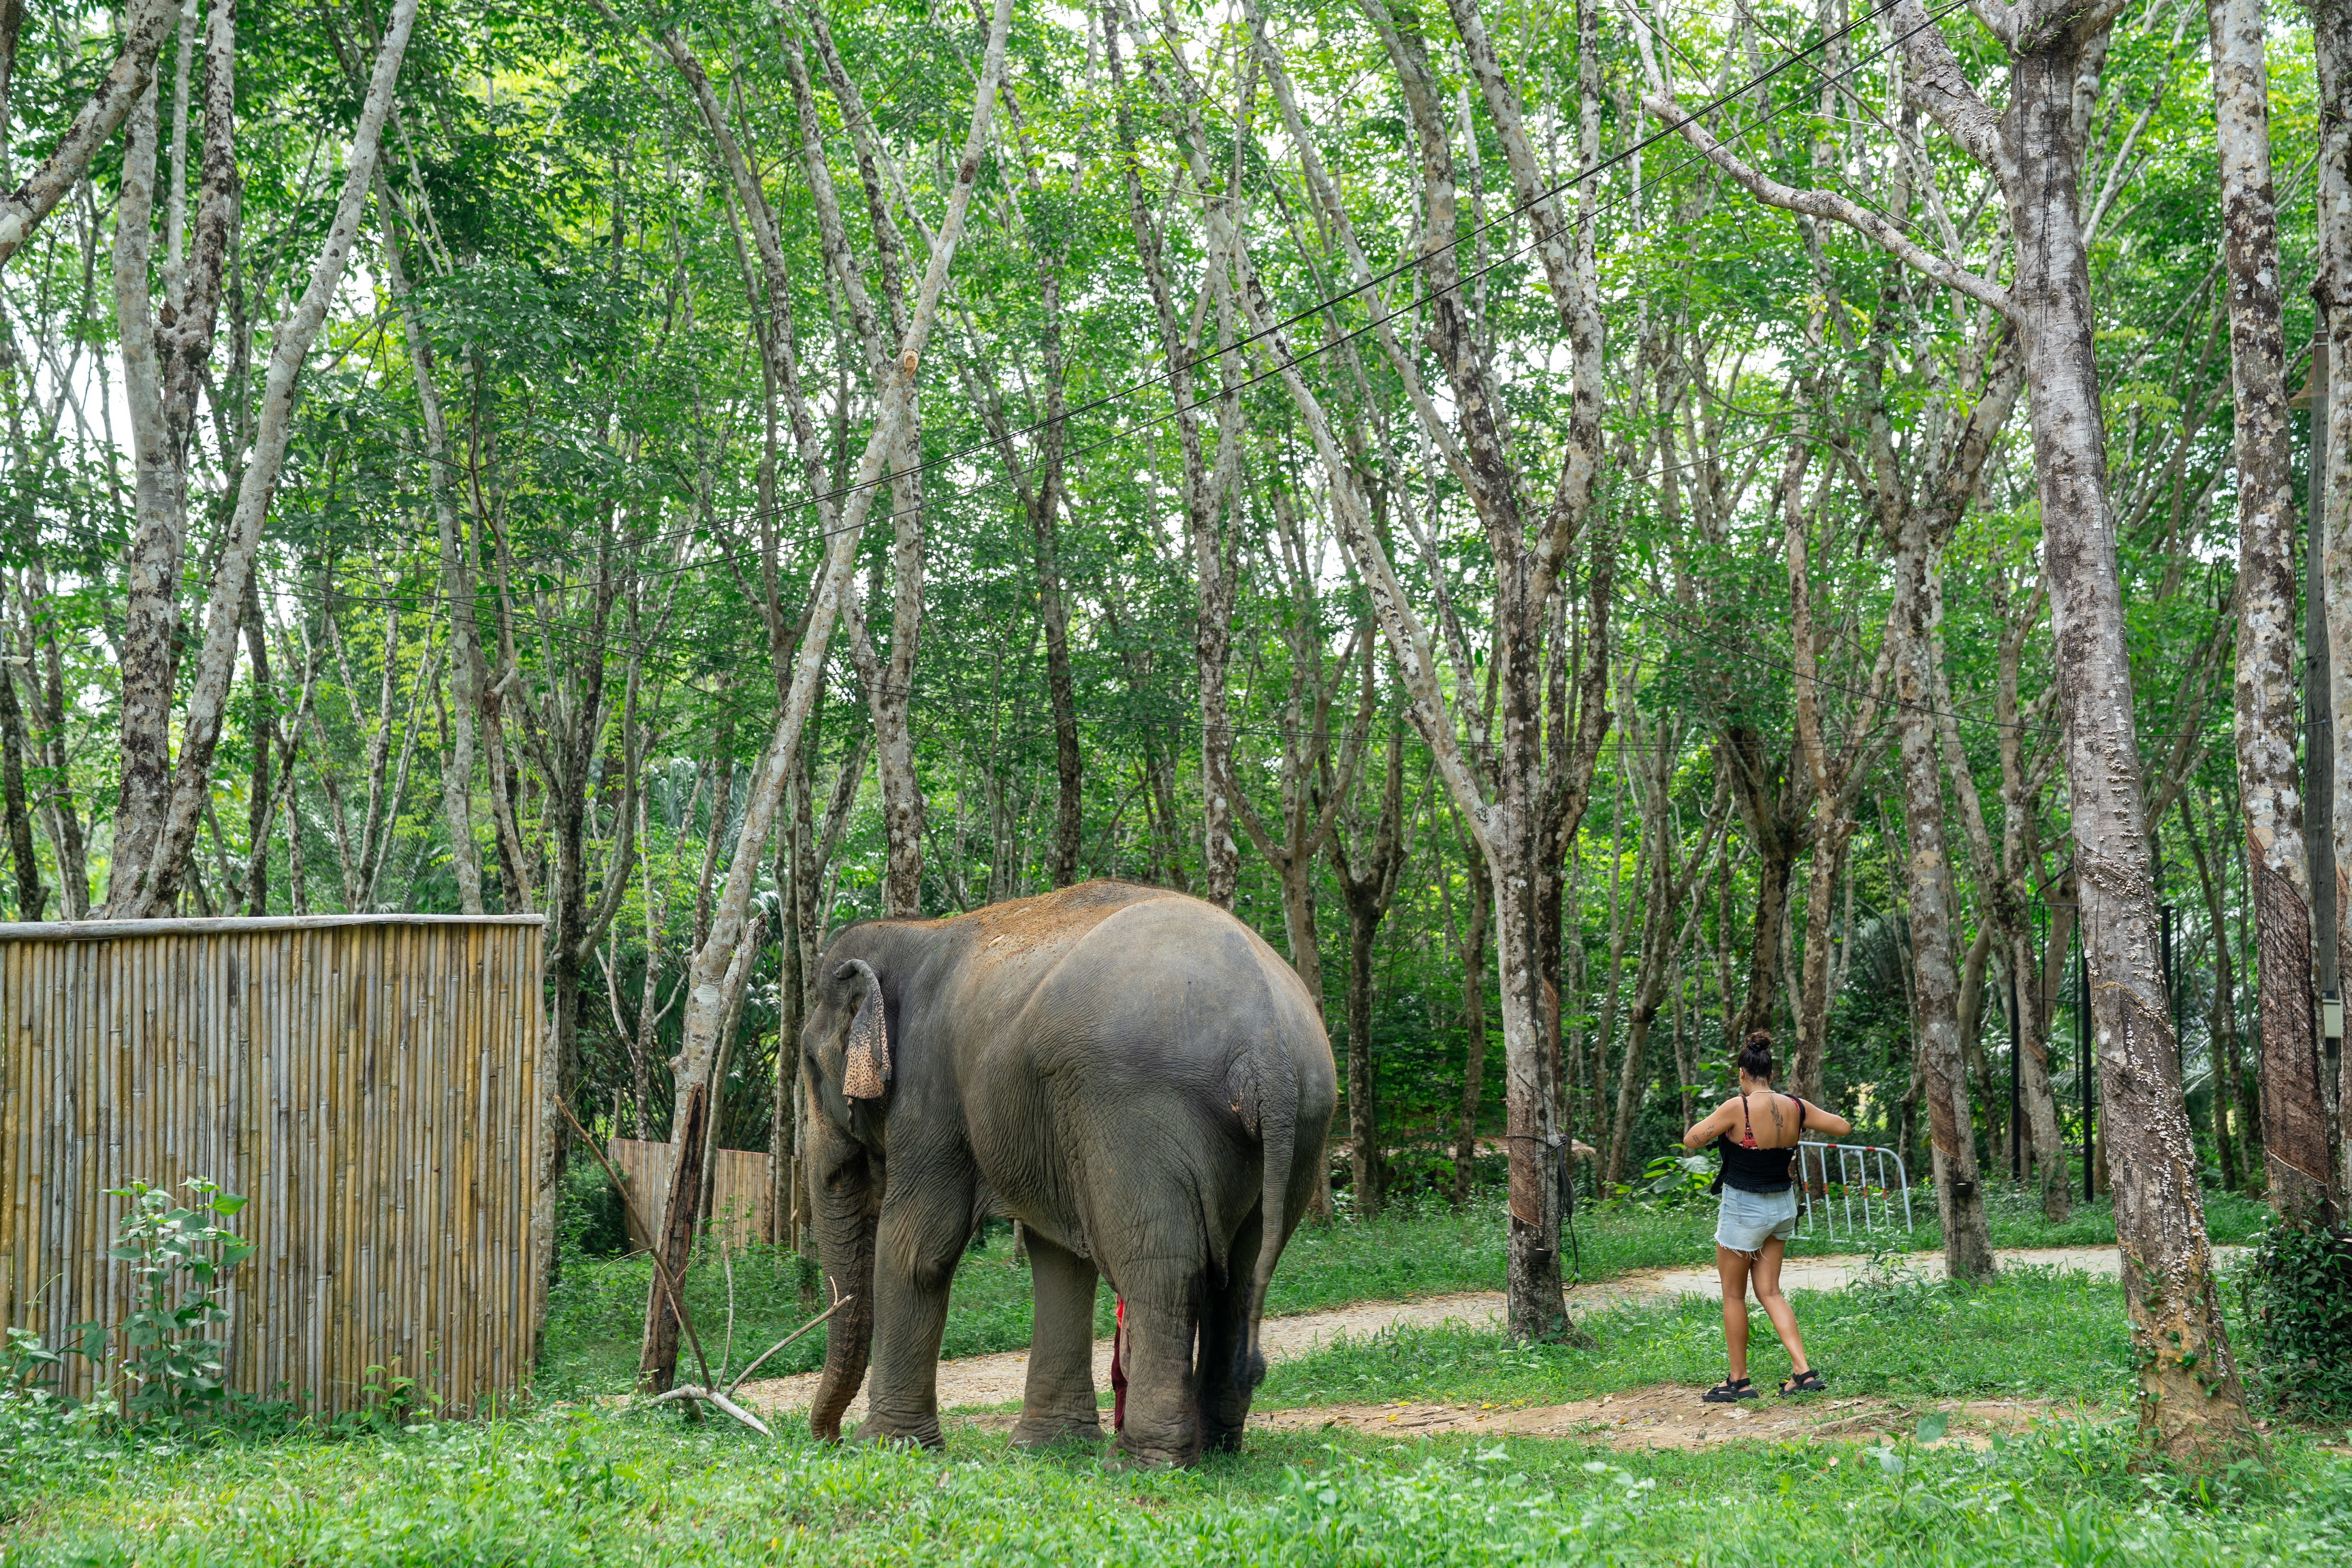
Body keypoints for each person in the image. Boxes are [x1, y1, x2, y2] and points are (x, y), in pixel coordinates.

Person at [1680, 1030, 1851, 1401]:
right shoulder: (1796, 1106)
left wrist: (1723, 1125)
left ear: (1743, 1073)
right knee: (1770, 1290)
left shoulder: (1737, 1107)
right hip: (1782, 1206)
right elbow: (1843, 1126)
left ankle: (1738, 1381)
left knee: (1733, 1296)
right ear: (1771, 1074)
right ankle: (1803, 1372)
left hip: (1744, 1208)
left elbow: (1693, 1139)